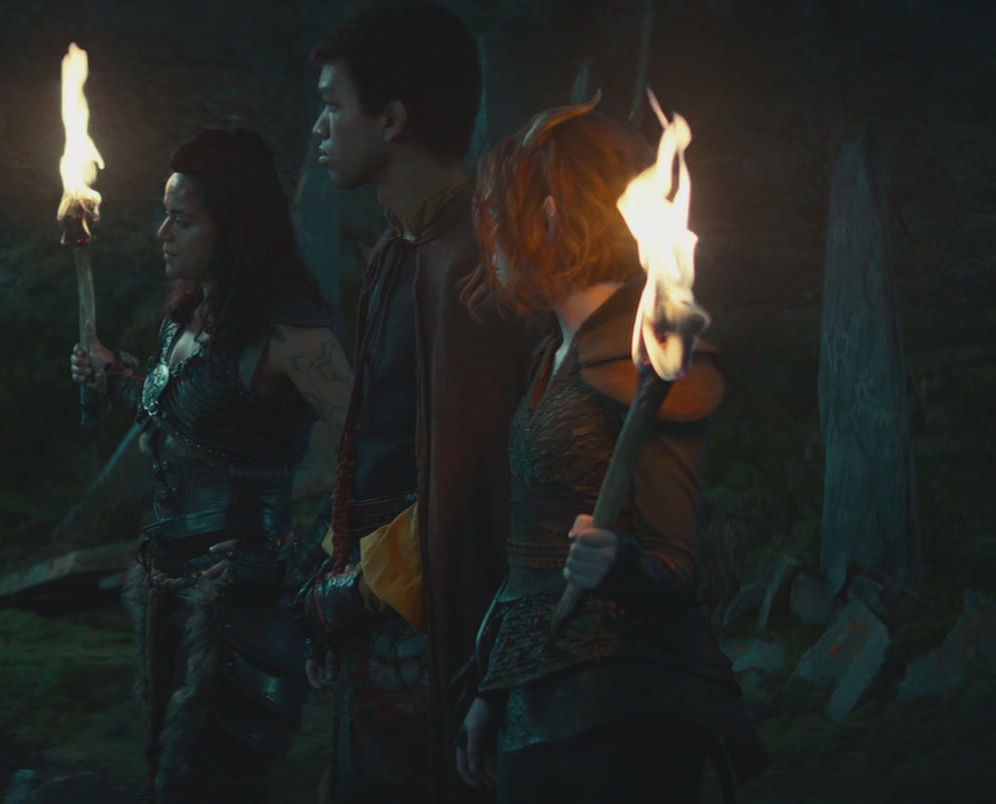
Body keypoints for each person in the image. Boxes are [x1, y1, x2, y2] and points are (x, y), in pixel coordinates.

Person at [450, 100, 768, 803]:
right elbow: (532, 558)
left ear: (550, 215)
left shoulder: (645, 361)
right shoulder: (552, 355)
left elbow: (675, 566)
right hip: (537, 703)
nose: (489, 238)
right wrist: (492, 692)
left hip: (624, 714)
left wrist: (622, 564)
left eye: (502, 213)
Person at [295, 2, 541, 801]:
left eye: (334, 106)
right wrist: (336, 569)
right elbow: (378, 443)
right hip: (381, 618)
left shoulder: (468, 266)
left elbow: (467, 486)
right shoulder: (399, 251)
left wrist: (349, 593)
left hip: (431, 628)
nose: (319, 127)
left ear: (392, 119)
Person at [69, 128, 355, 803]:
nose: (163, 234)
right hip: (168, 593)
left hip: (245, 614)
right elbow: (183, 417)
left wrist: (298, 562)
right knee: (164, 772)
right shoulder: (192, 312)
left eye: (184, 219)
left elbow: (374, 451)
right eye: (164, 214)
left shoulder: (291, 332)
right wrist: (115, 376)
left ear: (236, 226)